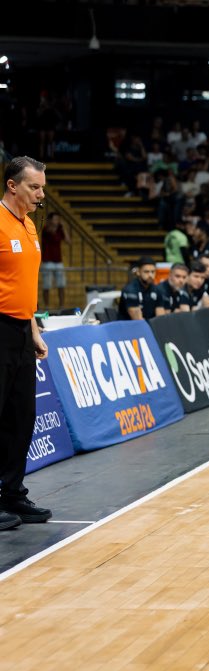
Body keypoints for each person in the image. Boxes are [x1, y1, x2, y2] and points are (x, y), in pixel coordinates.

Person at [0, 156, 52, 528]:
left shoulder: (30, 226)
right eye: (35, 187)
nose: (41, 194)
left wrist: (32, 328)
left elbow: (25, 285)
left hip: (21, 330)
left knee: (22, 418)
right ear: (12, 185)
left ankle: (13, 495)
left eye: (42, 187)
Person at [39, 212, 70, 309]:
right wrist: (56, 226)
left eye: (58, 219)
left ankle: (62, 306)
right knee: (46, 286)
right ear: (50, 220)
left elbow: (68, 241)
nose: (57, 221)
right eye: (55, 219)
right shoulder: (46, 229)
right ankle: (47, 306)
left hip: (58, 261)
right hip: (47, 262)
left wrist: (64, 228)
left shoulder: (60, 229)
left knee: (61, 285)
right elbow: (51, 231)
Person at [117, 256, 159, 320]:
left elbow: (161, 318)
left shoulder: (156, 289)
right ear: (138, 272)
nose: (150, 275)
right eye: (146, 272)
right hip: (129, 327)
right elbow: (138, 320)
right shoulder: (130, 290)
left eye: (153, 272)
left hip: (149, 325)